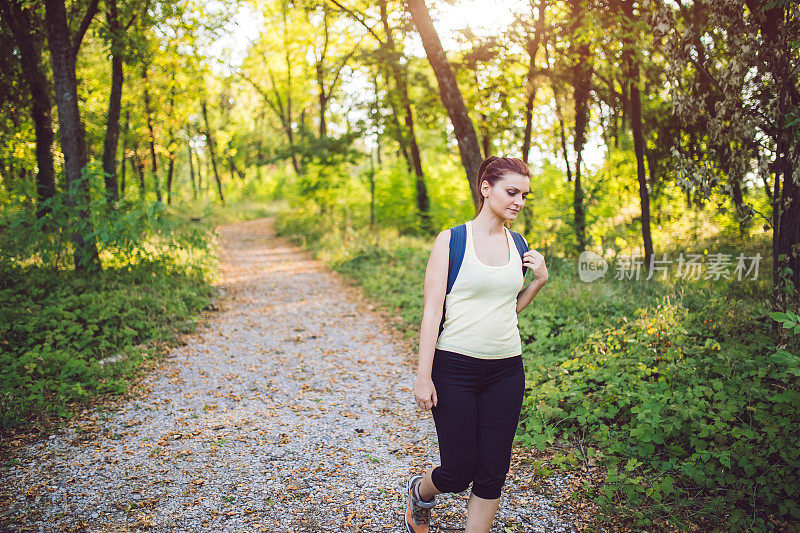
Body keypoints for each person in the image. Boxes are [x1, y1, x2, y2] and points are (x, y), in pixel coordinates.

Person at [404, 156, 549, 533]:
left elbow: (507, 308)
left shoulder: (519, 243)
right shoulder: (452, 240)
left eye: (524, 195)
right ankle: (421, 492)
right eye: (511, 192)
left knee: (492, 470)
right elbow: (432, 313)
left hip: (506, 370)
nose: (518, 201)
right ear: (487, 188)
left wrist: (536, 283)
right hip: (454, 369)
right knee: (458, 471)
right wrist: (424, 376)